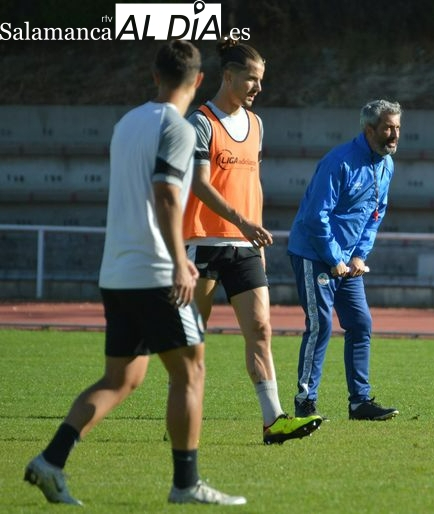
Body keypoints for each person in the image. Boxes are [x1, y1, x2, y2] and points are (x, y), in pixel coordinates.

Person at [24, 41, 246, 506]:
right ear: (199, 79)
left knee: (121, 380)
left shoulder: (126, 123)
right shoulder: (180, 128)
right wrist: (179, 260)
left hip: (117, 272)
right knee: (192, 370)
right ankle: (186, 484)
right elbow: (166, 195)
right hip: (155, 272)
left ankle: (50, 462)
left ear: (154, 76)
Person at [183, 39, 322, 444]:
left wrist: (253, 232)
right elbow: (200, 185)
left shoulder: (257, 124)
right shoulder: (201, 123)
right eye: (252, 79)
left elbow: (252, 184)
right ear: (229, 76)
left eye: (261, 79)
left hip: (245, 245)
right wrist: (243, 222)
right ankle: (184, 416)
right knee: (193, 338)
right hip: (203, 242)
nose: (259, 87)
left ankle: (273, 420)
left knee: (261, 328)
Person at [288, 99, 402, 421]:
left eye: (397, 128)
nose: (394, 135)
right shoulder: (339, 162)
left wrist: (358, 255)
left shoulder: (386, 165)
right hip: (314, 254)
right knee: (321, 325)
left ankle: (359, 403)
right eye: (387, 129)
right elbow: (315, 216)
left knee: (360, 323)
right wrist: (336, 257)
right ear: (369, 130)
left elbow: (375, 214)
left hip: (346, 261)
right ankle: (305, 401)